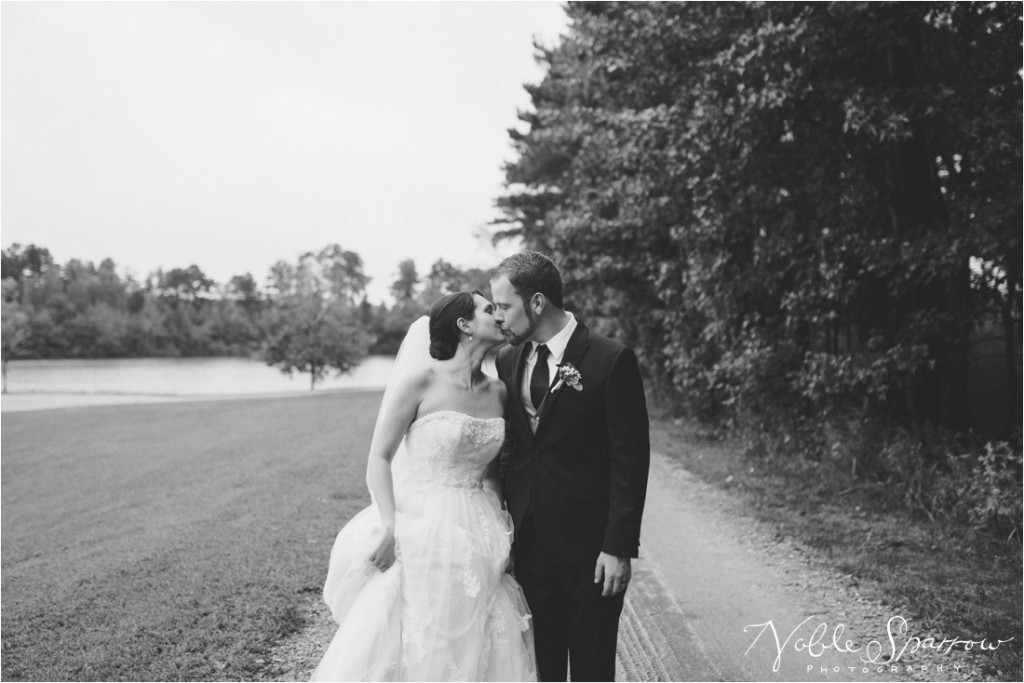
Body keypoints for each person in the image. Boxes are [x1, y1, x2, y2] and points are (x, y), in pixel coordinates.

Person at [310, 291, 538, 682]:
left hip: (479, 524)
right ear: (464, 325)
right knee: (419, 629)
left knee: (480, 631)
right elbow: (379, 459)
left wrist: (501, 529)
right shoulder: (421, 382)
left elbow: (494, 472)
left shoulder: (499, 392)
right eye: (489, 310)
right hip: (423, 522)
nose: (499, 316)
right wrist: (389, 524)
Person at [490, 252, 650, 682]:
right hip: (530, 547)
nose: (498, 317)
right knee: (542, 668)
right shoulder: (508, 360)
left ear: (537, 302)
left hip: (591, 553)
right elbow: (514, 450)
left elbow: (630, 462)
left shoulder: (610, 360)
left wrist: (618, 546)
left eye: (504, 306)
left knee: (592, 668)